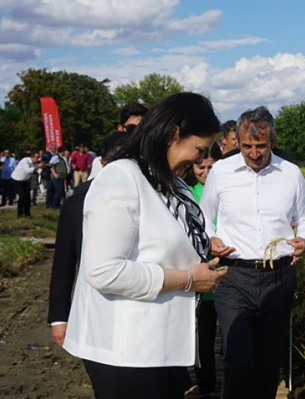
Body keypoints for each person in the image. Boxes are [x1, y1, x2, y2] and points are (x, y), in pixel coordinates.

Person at [61, 93, 227, 399]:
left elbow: (169, 241)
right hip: (125, 351)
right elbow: (103, 271)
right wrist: (189, 279)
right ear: (173, 134)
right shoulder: (122, 179)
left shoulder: (173, 183)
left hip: (161, 346)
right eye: (200, 149)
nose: (202, 160)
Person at [200, 106, 305, 399]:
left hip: (278, 277)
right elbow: (202, 215)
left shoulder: (291, 174)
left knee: (268, 361)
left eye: (261, 146)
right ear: (237, 142)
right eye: (247, 146)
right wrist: (209, 239)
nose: (253, 153)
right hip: (233, 276)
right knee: (237, 357)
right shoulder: (222, 172)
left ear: (272, 142)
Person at [48, 133, 125, 347]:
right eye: (117, 163)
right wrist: (59, 317)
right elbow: (63, 263)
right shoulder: (77, 203)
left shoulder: (154, 199)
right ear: (103, 163)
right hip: (94, 305)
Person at [183, 142, 222, 397]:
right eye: (201, 166)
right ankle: (207, 387)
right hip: (201, 275)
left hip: (229, 274)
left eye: (211, 166)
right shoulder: (186, 192)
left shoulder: (228, 190)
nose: (206, 171)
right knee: (204, 340)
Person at [11, 150, 44, 218]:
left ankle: (27, 213)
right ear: (32, 157)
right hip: (16, 180)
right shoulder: (25, 161)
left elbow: (38, 171)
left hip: (25, 180)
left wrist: (42, 167)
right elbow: (28, 170)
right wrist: (38, 166)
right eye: (37, 157)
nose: (38, 159)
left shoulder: (35, 163)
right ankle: (20, 213)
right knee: (22, 196)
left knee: (28, 197)